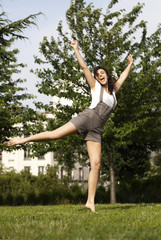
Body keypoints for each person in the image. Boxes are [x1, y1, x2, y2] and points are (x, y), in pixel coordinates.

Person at [8, 40, 133, 212]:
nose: (100, 75)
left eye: (103, 73)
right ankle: (23, 140)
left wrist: (130, 64)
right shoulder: (95, 87)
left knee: (96, 164)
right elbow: (84, 68)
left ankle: (90, 202)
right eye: (98, 74)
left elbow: (123, 78)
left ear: (107, 75)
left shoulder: (114, 91)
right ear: (96, 78)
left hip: (96, 129)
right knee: (54, 135)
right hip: (86, 118)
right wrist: (76, 49)